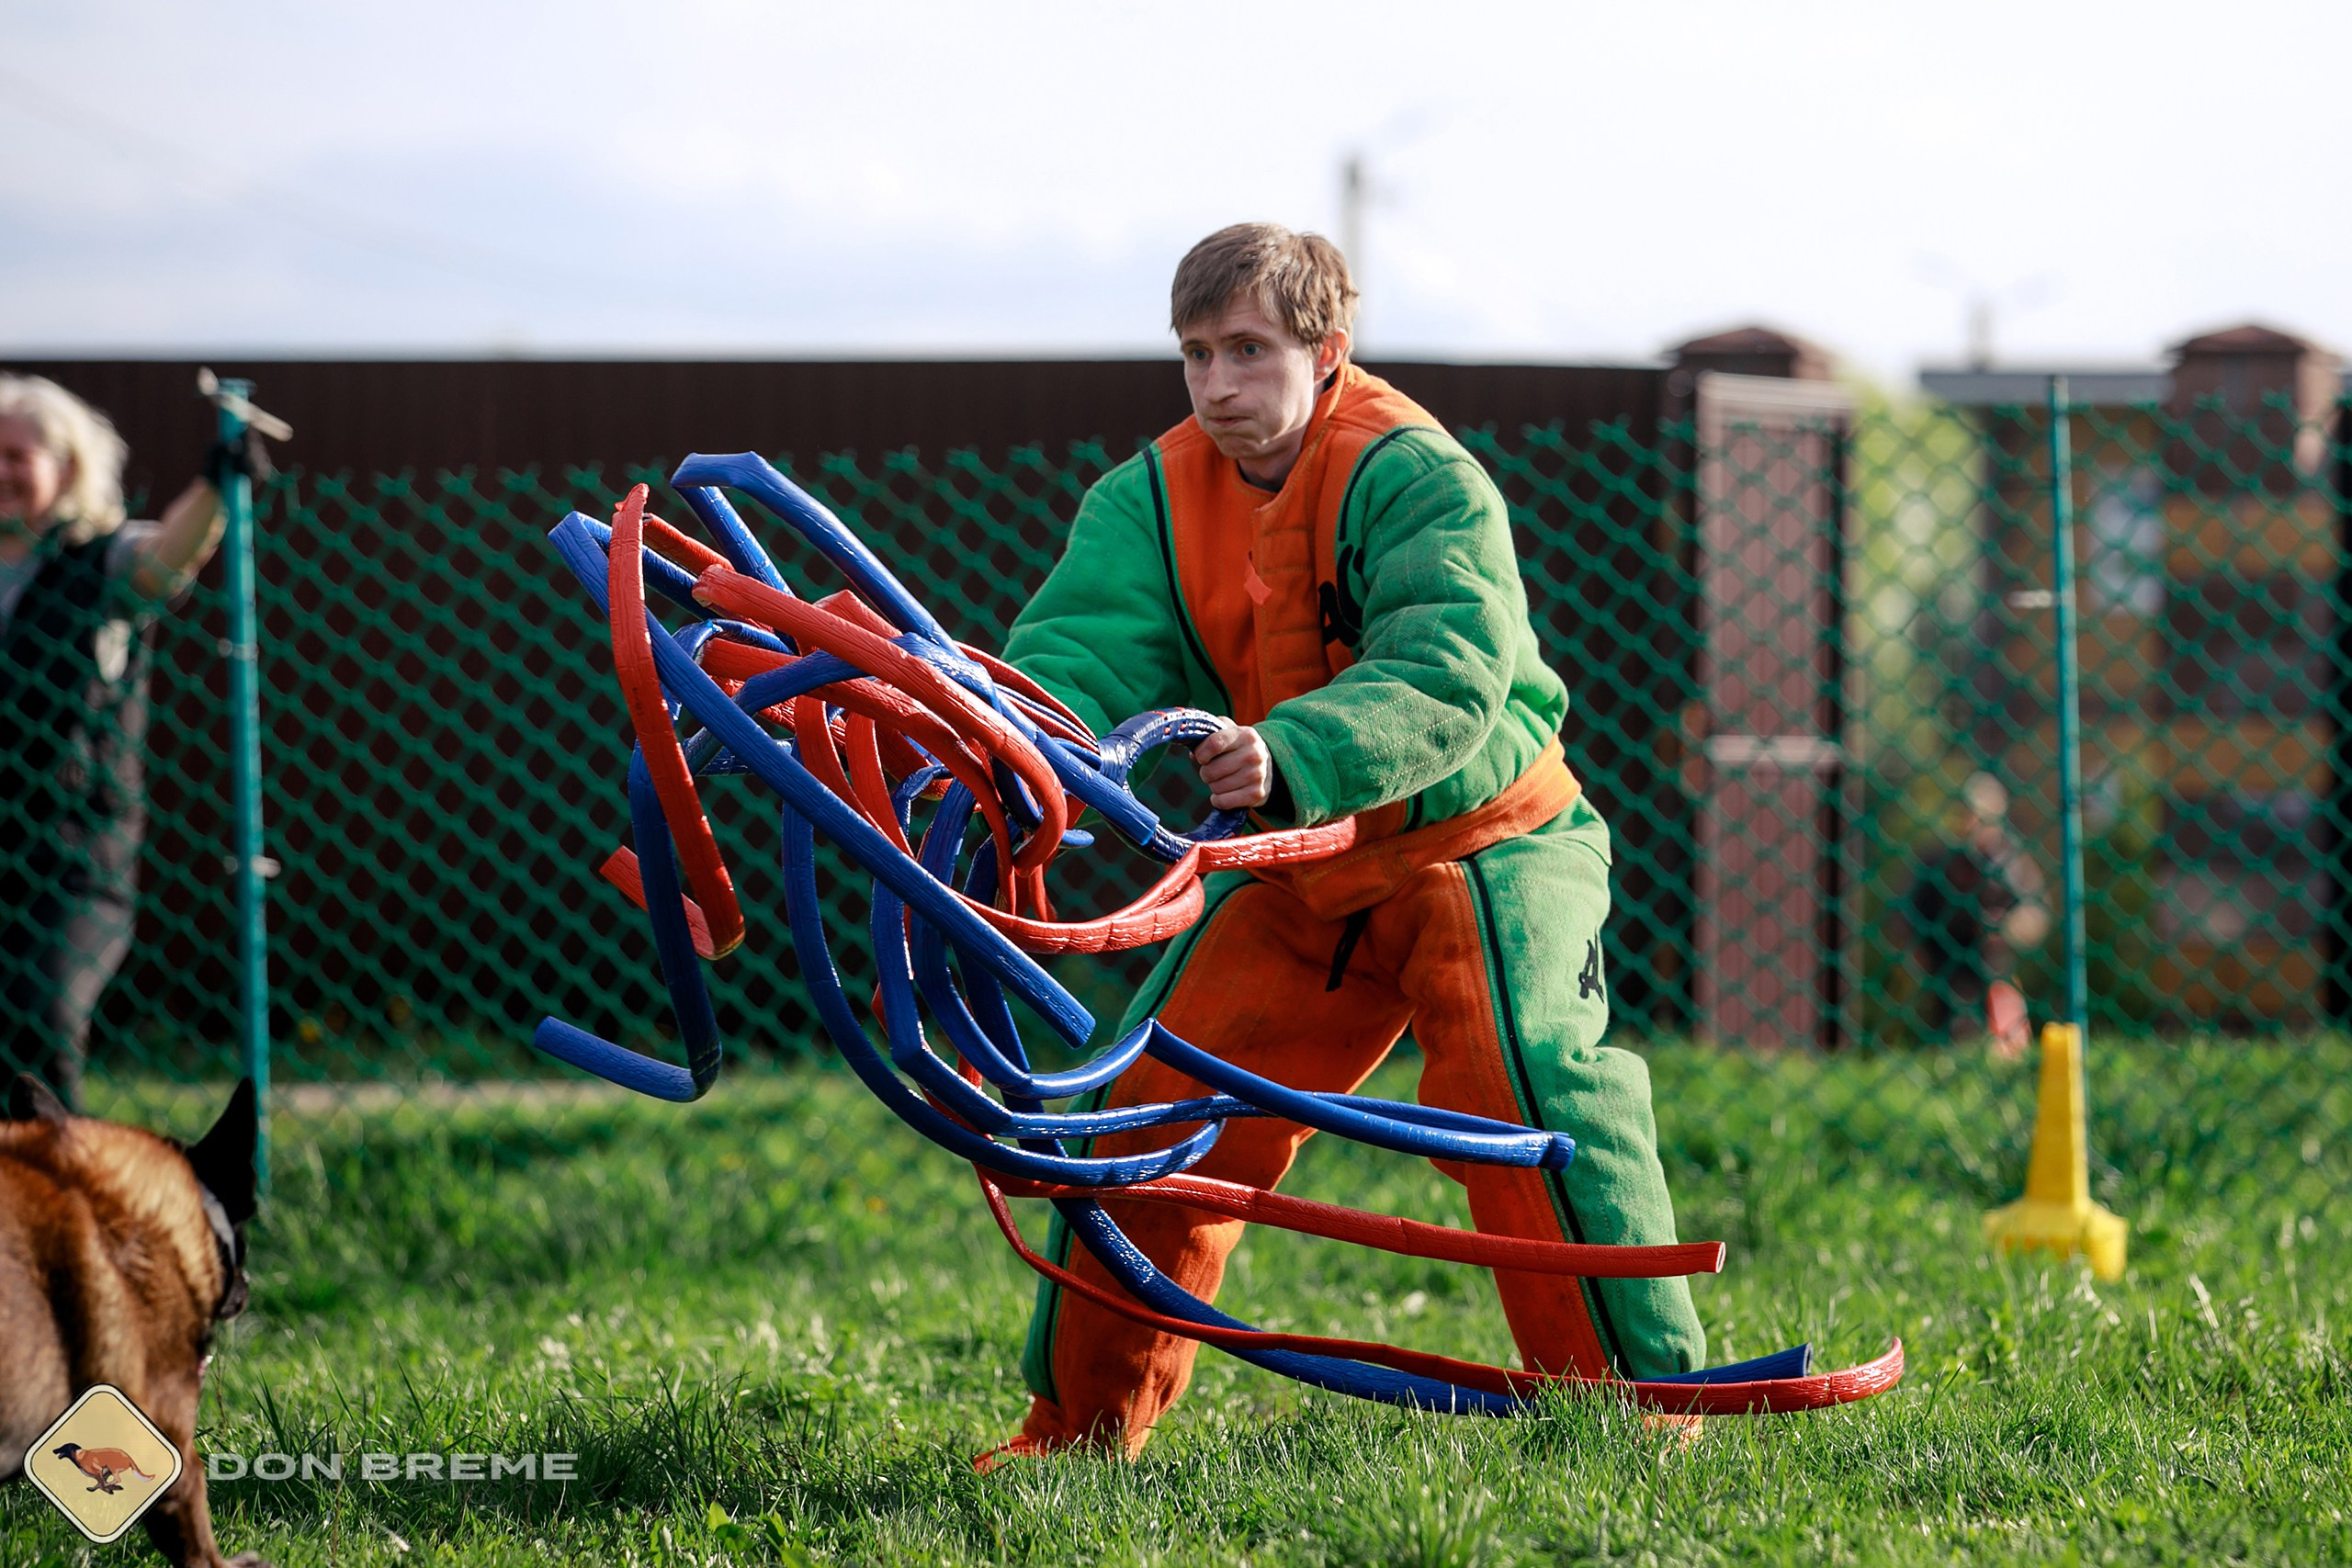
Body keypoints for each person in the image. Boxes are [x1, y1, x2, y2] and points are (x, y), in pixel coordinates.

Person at [982, 223, 1706, 1464]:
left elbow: (1447, 664)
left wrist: (1296, 754)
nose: (1219, 385)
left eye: (1249, 350)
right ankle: (1080, 1431)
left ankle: (1638, 1410)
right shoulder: (1150, 496)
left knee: (1520, 1080)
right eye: (1198, 354)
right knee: (1154, 1109)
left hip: (1483, 842)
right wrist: (996, 732)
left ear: (1329, 350)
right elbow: (1077, 653)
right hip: (1300, 867)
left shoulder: (1418, 474)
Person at [1, 374, 237, 1108]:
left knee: (38, 1019)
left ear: (66, 467)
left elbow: (169, 554)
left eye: (16, 455)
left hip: (69, 858)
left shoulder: (97, 561)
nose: (0, 471)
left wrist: (216, 485)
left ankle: (58, 1197)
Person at [1905, 772, 2048, 1055]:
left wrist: (2006, 928)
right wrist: (1915, 949)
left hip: (1995, 967)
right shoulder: (1938, 861)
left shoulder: (2012, 862)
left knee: (2003, 1037)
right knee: (1951, 1035)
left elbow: (2037, 913)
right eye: (1967, 813)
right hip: (1946, 967)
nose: (1971, 822)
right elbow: (1909, 911)